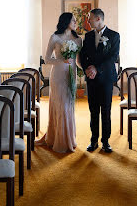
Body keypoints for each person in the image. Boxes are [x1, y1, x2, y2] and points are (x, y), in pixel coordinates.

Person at [35, 13, 82, 153]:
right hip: (57, 75)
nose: (75, 22)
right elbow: (47, 59)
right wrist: (62, 60)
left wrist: (86, 70)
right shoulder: (55, 37)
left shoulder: (78, 39)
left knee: (68, 105)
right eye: (73, 20)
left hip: (71, 75)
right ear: (66, 21)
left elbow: (78, 61)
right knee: (59, 105)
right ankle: (57, 139)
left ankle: (68, 139)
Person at [80, 8, 120, 153]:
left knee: (106, 110)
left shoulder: (114, 36)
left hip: (106, 78)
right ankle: (93, 140)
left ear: (98, 19)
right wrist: (86, 69)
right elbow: (83, 56)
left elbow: (113, 57)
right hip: (91, 79)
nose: (88, 21)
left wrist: (97, 68)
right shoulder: (88, 36)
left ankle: (106, 142)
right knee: (93, 110)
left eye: (90, 18)